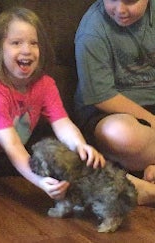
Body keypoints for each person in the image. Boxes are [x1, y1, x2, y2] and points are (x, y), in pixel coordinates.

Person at [0, 7, 105, 236]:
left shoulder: (45, 84)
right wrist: (40, 181)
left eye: (33, 43)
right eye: (16, 42)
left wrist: (80, 145)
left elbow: (62, 122)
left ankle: (131, 189)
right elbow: (13, 147)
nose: (26, 50)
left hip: (9, 151)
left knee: (55, 156)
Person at [74, 0, 155, 206]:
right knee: (120, 133)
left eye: (130, 1)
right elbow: (102, 96)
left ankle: (144, 184)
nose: (120, 10)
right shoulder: (92, 31)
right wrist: (152, 120)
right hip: (111, 110)